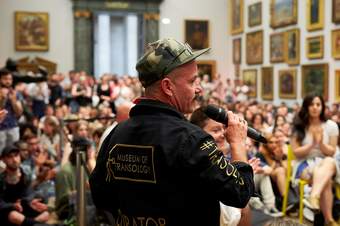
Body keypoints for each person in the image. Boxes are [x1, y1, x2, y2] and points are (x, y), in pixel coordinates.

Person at [90, 38, 255, 226]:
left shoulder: (116, 134)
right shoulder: (191, 139)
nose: (199, 89)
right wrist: (238, 143)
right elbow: (240, 193)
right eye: (192, 81)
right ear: (168, 87)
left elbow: (101, 198)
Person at [291, 94, 340, 226]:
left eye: (318, 104)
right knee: (326, 180)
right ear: (306, 107)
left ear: (322, 107)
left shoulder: (331, 125)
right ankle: (329, 220)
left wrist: (321, 144)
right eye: (311, 104)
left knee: (329, 162)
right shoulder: (299, 126)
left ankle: (314, 195)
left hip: (326, 162)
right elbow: (296, 152)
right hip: (304, 163)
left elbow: (332, 151)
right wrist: (312, 144)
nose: (315, 107)